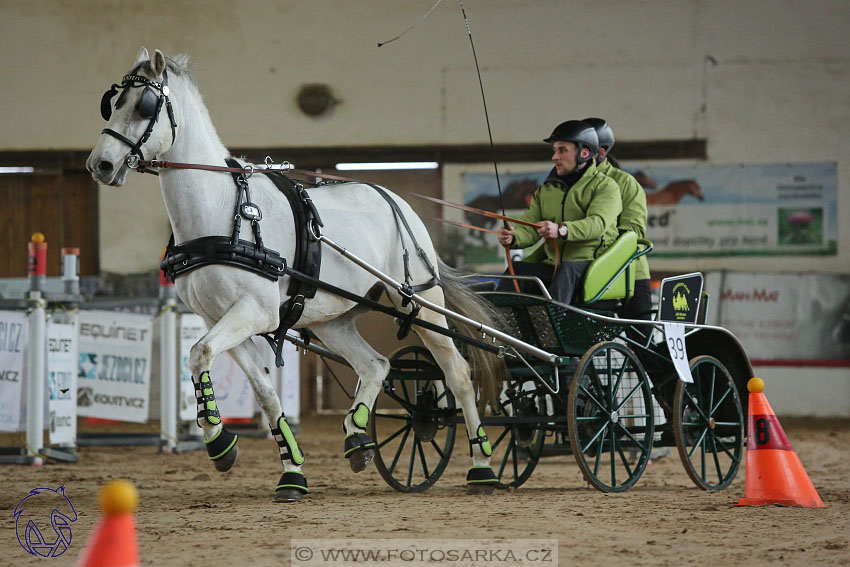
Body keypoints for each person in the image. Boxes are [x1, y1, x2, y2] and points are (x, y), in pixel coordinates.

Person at [496, 120, 622, 304]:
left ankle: (551, 325)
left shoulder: (606, 187)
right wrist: (514, 237)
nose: (554, 157)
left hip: (594, 266)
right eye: (554, 150)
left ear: (584, 153)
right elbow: (530, 226)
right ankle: (501, 323)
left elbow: (597, 224)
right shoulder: (546, 190)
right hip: (555, 266)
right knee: (517, 271)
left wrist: (561, 230)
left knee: (567, 271)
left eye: (562, 150)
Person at [582, 117, 653, 324]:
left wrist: (591, 234)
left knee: (641, 341)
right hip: (585, 272)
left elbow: (634, 231)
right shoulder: (568, 185)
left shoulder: (626, 183)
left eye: (585, 149)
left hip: (628, 274)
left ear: (601, 153)